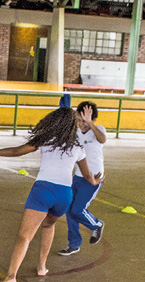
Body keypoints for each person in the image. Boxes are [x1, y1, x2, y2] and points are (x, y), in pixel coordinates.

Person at [0, 107, 100, 282]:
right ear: (73, 126)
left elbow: (17, 151)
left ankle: (11, 276)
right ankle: (42, 267)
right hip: (64, 195)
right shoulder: (78, 148)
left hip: (43, 191)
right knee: (49, 225)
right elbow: (88, 175)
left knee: (24, 237)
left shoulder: (45, 140)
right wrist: (95, 180)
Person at [59, 101, 106, 256]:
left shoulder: (98, 130)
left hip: (94, 178)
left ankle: (97, 225)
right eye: (79, 120)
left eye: (84, 121)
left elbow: (102, 139)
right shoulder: (75, 133)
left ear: (93, 120)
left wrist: (90, 123)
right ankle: (73, 244)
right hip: (78, 176)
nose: (81, 124)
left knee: (78, 209)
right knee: (70, 210)